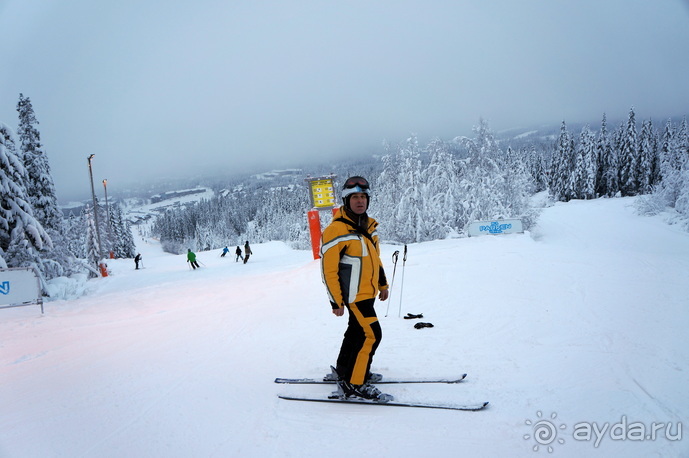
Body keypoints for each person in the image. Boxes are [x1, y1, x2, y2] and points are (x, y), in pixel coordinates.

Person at [320, 176, 390, 401]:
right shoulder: (336, 230)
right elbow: (328, 270)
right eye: (354, 197)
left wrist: (382, 284)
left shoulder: (369, 226)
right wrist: (335, 301)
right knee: (372, 335)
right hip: (353, 296)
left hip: (367, 293)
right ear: (346, 200)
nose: (359, 201)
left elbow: (375, 259)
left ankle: (345, 370)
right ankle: (355, 383)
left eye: (363, 197)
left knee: (356, 332)